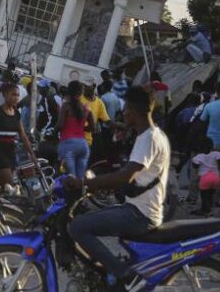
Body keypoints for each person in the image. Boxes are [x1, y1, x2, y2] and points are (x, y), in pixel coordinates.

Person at [66, 86, 170, 289]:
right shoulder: (152, 135)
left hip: (140, 214)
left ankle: (124, 275)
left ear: (134, 110)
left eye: (126, 109)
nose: (123, 113)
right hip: (140, 209)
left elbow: (124, 177)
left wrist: (84, 183)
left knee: (78, 226)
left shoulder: (148, 138)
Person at [0, 83, 38, 190]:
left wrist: (32, 155)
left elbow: (23, 136)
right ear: (5, 95)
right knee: (10, 186)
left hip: (11, 154)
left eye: (18, 95)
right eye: (13, 95)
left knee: (6, 187)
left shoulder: (16, 114)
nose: (16, 98)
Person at [56, 81, 94, 177]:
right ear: (81, 93)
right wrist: (81, 128)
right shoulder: (87, 108)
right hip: (83, 145)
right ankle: (81, 191)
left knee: (70, 177)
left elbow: (60, 125)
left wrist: (53, 131)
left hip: (68, 145)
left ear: (69, 91)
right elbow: (92, 128)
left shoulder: (66, 106)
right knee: (80, 178)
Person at [191, 138, 220, 216]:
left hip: (205, 177)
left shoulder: (200, 156)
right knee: (211, 194)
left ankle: (205, 210)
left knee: (204, 195)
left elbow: (195, 166)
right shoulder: (216, 153)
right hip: (215, 177)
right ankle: (209, 208)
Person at [80, 78, 110, 157]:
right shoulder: (78, 98)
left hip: (87, 141)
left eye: (87, 86)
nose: (85, 88)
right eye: (84, 85)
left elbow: (107, 120)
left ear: (94, 86)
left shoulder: (99, 103)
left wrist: (120, 125)